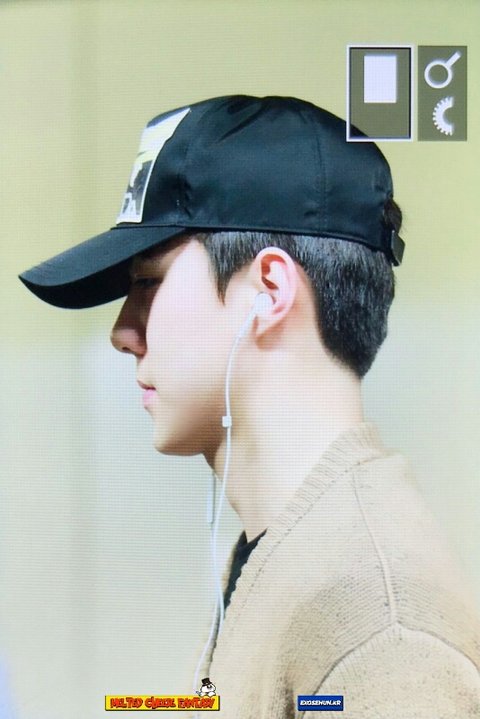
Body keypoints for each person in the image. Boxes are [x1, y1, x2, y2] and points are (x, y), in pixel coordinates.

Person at [19, 95, 480, 718]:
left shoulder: (378, 626)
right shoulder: (292, 556)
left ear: (268, 291)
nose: (123, 333)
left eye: (148, 282)